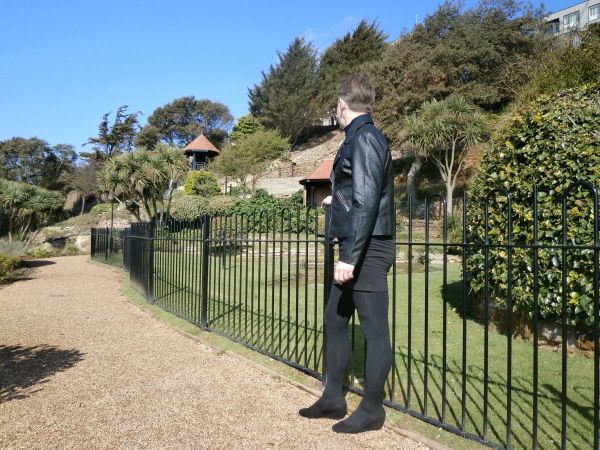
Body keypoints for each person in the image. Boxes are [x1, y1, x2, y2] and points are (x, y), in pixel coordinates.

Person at [298, 76, 395, 434]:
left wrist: (350, 257)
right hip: (356, 244)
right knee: (335, 321)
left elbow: (368, 202)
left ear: (343, 104)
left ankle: (372, 410)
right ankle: (334, 398)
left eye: (336, 106)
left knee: (374, 331)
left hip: (367, 249)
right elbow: (357, 192)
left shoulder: (366, 138)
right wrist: (333, 199)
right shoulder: (357, 137)